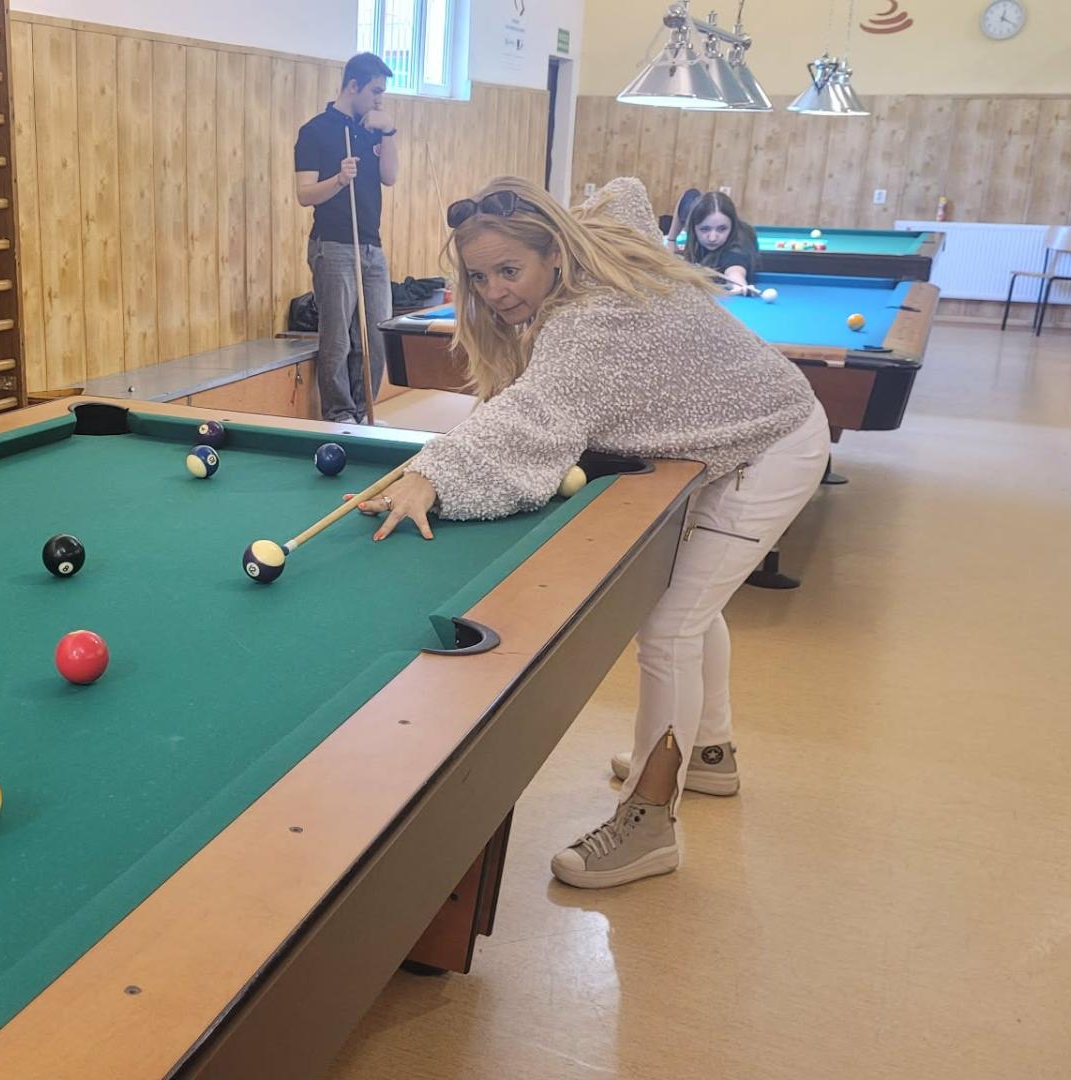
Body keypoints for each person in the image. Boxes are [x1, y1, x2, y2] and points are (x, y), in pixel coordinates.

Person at [358, 176, 829, 889]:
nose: (495, 292)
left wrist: (433, 474)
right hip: (744, 433)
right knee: (690, 606)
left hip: (773, 444)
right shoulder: (599, 249)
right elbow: (628, 192)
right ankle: (709, 754)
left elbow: (530, 417)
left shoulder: (587, 323)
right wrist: (569, 219)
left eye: (510, 270)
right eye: (480, 277)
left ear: (554, 252)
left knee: (670, 626)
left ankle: (650, 823)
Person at [294, 53, 400, 423]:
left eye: (382, 93)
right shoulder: (315, 131)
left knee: (377, 335)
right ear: (353, 86)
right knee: (338, 338)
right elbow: (304, 194)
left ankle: (363, 410)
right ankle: (339, 414)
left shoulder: (373, 129)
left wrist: (389, 132)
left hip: (372, 246)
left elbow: (390, 176)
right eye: (375, 91)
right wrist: (339, 180)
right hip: (333, 245)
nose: (379, 100)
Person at [677, 190, 758, 292]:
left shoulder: (738, 247)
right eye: (705, 229)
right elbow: (688, 195)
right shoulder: (691, 214)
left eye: (722, 229)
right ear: (693, 226)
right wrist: (671, 239)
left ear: (733, 225)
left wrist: (739, 285)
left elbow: (735, 270)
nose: (712, 238)